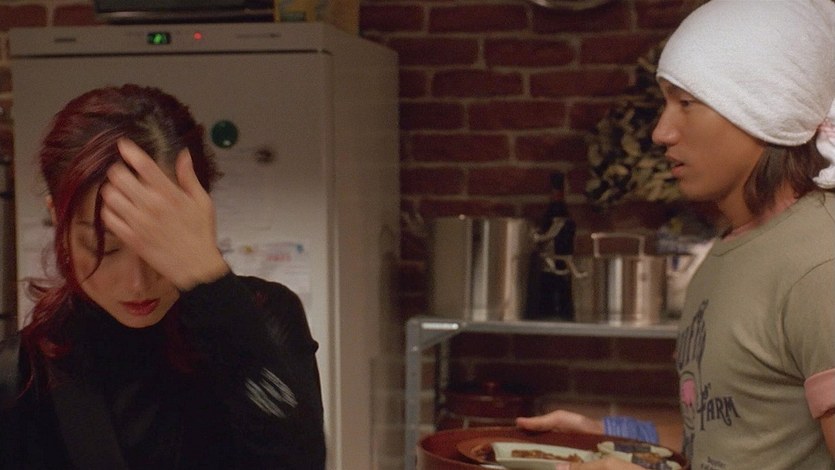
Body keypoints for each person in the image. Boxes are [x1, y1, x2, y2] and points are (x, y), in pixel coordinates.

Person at [516, 0, 835, 468]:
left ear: (764, 106)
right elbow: (729, 434)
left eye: (686, 103)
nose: (661, 132)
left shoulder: (821, 264)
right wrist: (612, 437)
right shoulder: (734, 250)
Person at [0, 84, 326, 469]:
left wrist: (209, 281)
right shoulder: (23, 372)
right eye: (105, 248)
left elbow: (298, 459)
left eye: (159, 246)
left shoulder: (263, 319)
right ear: (58, 218)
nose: (138, 283)